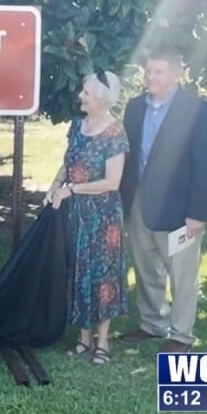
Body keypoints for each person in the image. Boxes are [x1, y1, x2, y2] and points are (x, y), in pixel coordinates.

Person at [118, 48, 207, 353]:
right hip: (139, 202)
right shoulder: (135, 108)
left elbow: (205, 163)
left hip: (180, 208)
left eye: (158, 72)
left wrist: (198, 212)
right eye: (148, 71)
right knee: (146, 267)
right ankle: (152, 324)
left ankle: (182, 335)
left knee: (182, 274)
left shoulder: (197, 110)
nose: (150, 77)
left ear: (177, 74)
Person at [45, 69, 129, 365]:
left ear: (102, 100)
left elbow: (112, 181)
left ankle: (102, 341)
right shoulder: (77, 126)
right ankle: (83, 338)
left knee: (102, 275)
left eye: (87, 94)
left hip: (103, 217)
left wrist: (72, 190)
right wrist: (56, 185)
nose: (81, 96)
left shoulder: (114, 132)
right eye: (82, 91)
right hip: (77, 214)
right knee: (79, 270)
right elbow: (68, 163)